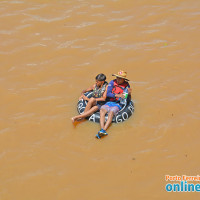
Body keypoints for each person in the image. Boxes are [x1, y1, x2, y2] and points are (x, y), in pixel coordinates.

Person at [96, 70, 132, 139]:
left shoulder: (127, 85)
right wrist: (117, 95)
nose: (118, 79)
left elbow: (125, 96)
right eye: (117, 77)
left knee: (111, 112)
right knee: (102, 111)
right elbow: (108, 94)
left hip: (118, 104)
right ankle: (102, 130)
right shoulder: (112, 82)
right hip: (109, 102)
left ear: (124, 79)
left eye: (120, 78)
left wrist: (129, 94)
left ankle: (103, 130)